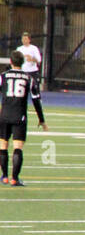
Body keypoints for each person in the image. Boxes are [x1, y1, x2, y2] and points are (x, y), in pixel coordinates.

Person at [0, 49, 47, 186]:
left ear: (11, 62)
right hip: (19, 116)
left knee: (3, 145)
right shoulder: (29, 78)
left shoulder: (3, 76)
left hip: (4, 115)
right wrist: (41, 119)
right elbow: (36, 100)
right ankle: (15, 178)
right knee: (18, 147)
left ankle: (4, 177)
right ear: (23, 62)